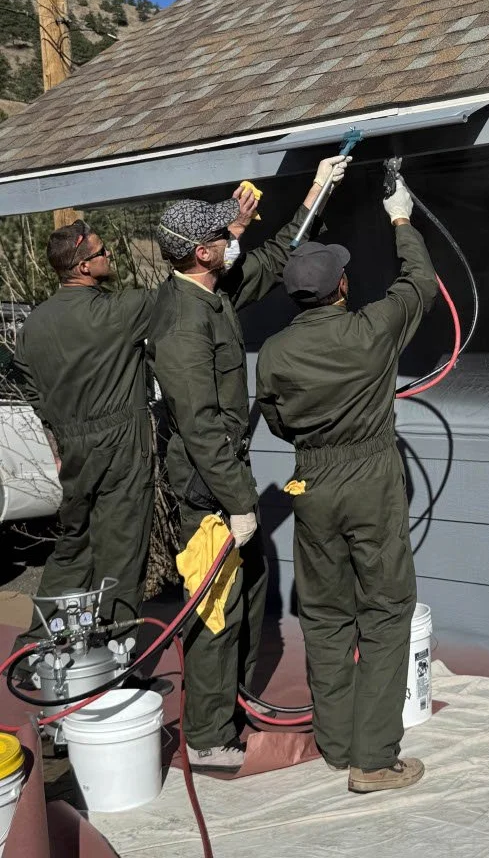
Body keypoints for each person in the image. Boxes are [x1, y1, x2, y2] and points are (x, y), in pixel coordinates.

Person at [147, 156, 349, 773]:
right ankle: (208, 735)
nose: (232, 239)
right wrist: (238, 501)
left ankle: (227, 703)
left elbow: (275, 253)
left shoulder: (210, 289)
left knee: (248, 587)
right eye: (220, 236)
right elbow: (202, 426)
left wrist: (316, 191)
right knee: (216, 609)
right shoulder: (183, 324)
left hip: (224, 483)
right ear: (200, 255)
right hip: (210, 490)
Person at [255, 177, 437, 794]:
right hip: (369, 477)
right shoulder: (371, 330)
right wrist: (401, 221)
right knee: (386, 610)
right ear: (340, 286)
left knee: (327, 614)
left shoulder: (274, 354)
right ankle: (373, 758)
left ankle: (335, 744)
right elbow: (420, 285)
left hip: (312, 480)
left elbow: (277, 421)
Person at [11, 220, 157, 662]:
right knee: (121, 550)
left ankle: (39, 646)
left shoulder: (32, 327)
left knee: (75, 544)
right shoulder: (119, 312)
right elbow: (183, 296)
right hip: (120, 445)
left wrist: (58, 442)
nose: (108, 254)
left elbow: (33, 393)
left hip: (74, 448)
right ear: (83, 265)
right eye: (101, 250)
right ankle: (115, 660)